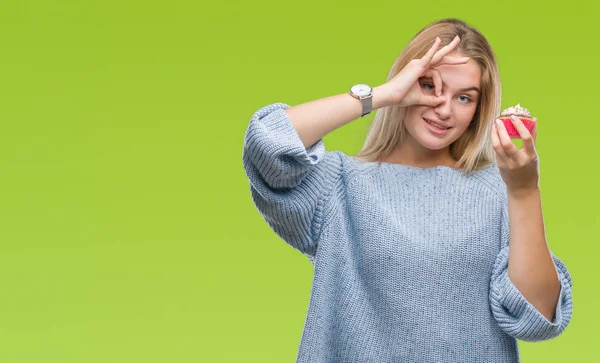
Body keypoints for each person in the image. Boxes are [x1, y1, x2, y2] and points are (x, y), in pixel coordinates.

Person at [241, 18, 573, 362]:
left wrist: (524, 191)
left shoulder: (499, 188)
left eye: (464, 97)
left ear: (478, 110)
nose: (444, 109)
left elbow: (538, 317)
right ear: (407, 79)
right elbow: (267, 143)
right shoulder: (341, 186)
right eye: (429, 86)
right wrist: (382, 95)